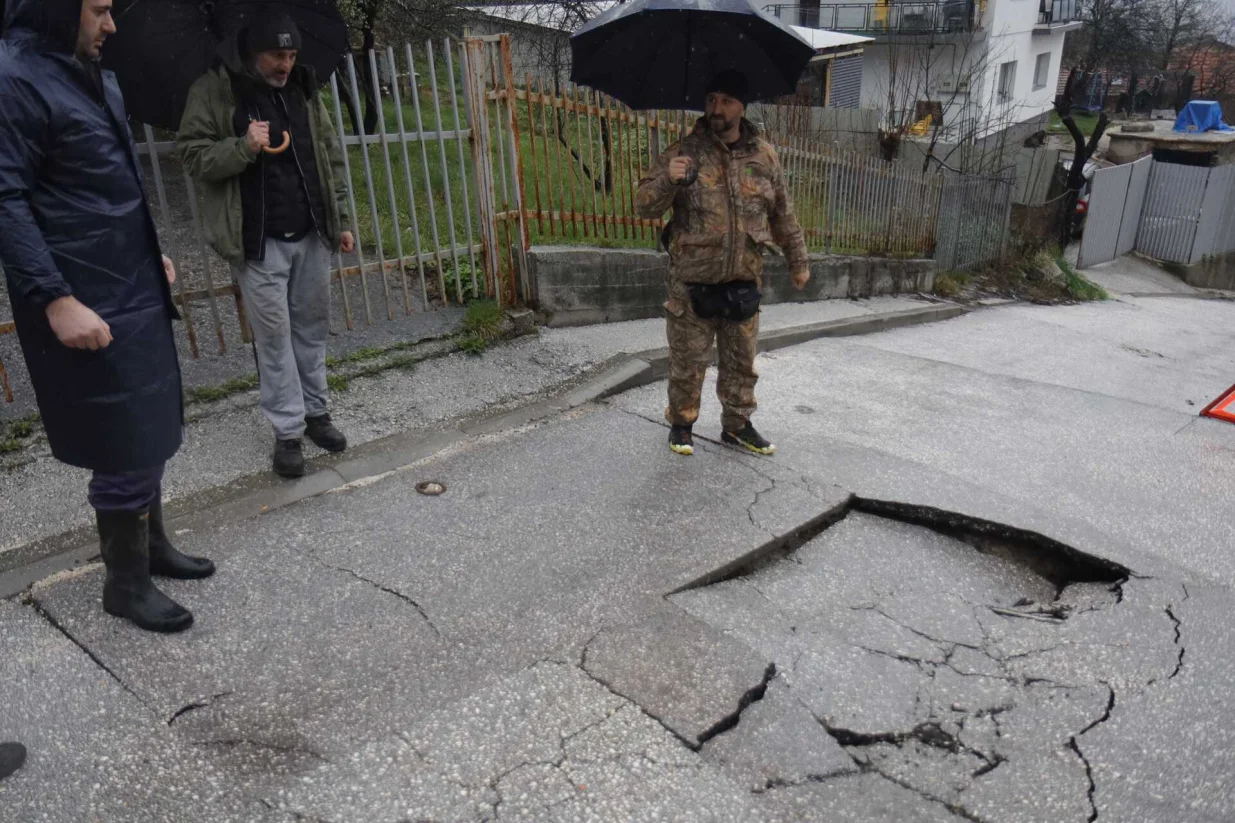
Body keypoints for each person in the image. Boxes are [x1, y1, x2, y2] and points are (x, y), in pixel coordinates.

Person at [0, 0, 213, 633]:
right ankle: (125, 584)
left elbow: (105, 185)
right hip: (82, 291)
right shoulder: (14, 79)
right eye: (98, 11)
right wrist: (55, 301)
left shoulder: (87, 73)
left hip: (127, 279)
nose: (111, 25)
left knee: (147, 421)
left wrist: (153, 253)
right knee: (121, 437)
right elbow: (5, 199)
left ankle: (151, 547)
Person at [177, 11, 354, 479]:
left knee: (312, 329)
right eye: (278, 55)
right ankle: (288, 432)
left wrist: (342, 219)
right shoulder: (213, 91)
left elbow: (329, 155)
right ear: (254, 53)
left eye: (292, 55)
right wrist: (242, 147)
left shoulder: (302, 88)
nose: (285, 64)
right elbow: (193, 157)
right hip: (259, 243)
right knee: (274, 340)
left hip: (313, 233)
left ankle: (317, 415)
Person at [636, 70, 810, 458]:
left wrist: (798, 260)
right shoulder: (683, 151)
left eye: (726, 100)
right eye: (711, 98)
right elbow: (644, 205)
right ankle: (681, 425)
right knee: (687, 363)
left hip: (743, 279)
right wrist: (669, 178)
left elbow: (783, 212)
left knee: (741, 364)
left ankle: (738, 426)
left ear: (742, 106)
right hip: (691, 282)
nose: (717, 107)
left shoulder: (764, 156)